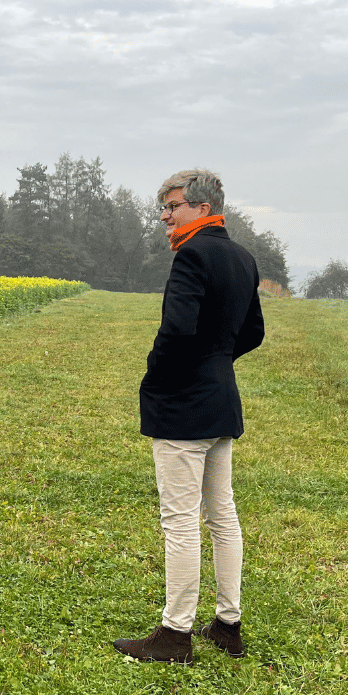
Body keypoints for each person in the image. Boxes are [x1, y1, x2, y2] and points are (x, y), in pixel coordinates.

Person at [113, 169, 264, 665]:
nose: (164, 215)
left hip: (182, 405)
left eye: (172, 206)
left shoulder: (192, 254)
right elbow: (253, 333)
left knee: (180, 522)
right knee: (223, 516)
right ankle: (227, 624)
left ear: (202, 208)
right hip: (222, 400)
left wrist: (157, 376)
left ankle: (175, 635)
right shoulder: (242, 257)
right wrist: (217, 359)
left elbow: (176, 331)